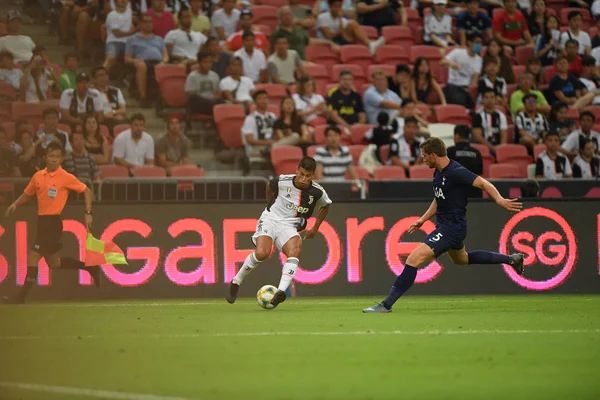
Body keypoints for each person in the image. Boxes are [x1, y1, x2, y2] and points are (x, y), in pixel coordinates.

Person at [362, 137, 525, 313]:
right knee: (462, 259)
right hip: (448, 226)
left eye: (425, 155)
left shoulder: (456, 171)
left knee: (412, 259)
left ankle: (386, 305)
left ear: (434, 155)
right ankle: (512, 259)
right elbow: (439, 199)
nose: (422, 159)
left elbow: (483, 183)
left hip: (451, 228)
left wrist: (500, 200)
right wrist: (423, 219)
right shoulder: (438, 173)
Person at [2, 141, 100, 304]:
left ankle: (21, 297)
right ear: (45, 157)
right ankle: (89, 267)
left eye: (57, 157)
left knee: (33, 256)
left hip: (53, 223)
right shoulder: (38, 176)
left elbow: (87, 191)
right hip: (42, 222)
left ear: (61, 160)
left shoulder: (65, 177)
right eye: (51, 156)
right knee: (55, 263)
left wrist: (88, 213)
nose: (54, 160)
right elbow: (27, 194)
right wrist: (15, 204)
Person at [226, 157, 332, 308]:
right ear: (297, 170)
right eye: (301, 174)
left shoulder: (317, 192)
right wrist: (270, 204)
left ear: (313, 175)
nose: (303, 179)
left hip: (289, 226)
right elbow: (269, 187)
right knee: (262, 253)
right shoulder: (282, 181)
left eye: (308, 176)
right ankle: (236, 281)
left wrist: (315, 228)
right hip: (271, 218)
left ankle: (280, 292)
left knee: (295, 251)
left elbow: (326, 205)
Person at [125, 13, 169, 107]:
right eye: (146, 22)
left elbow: (165, 55)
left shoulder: (159, 39)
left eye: (150, 22)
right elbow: (127, 58)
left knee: (166, 66)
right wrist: (136, 61)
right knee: (141, 65)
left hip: (158, 62)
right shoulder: (132, 39)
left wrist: (164, 61)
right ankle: (143, 98)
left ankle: (165, 99)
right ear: (140, 24)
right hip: (142, 62)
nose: (149, 24)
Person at [317, 0, 385, 55]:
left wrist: (340, 19)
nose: (337, 9)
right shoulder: (322, 17)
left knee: (352, 23)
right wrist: (340, 28)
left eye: (339, 6)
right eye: (335, 6)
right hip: (328, 42)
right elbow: (329, 36)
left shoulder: (341, 19)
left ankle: (370, 44)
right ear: (330, 6)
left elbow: (345, 29)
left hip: (340, 40)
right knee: (348, 26)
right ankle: (369, 45)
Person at [272, 6, 337, 61]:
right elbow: (273, 53)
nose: (287, 17)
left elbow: (309, 41)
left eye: (289, 14)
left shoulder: (299, 30)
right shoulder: (277, 33)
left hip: (302, 62)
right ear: (280, 18)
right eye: (284, 15)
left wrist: (329, 43)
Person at [441, 35, 482, 109]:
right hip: (453, 86)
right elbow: (442, 62)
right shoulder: (457, 52)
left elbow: (475, 79)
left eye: (480, 43)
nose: (479, 45)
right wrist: (451, 64)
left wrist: (470, 90)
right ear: (469, 43)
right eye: (477, 42)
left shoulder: (479, 60)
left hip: (465, 88)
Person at [241, 90, 278, 163]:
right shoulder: (250, 118)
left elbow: (278, 134)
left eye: (265, 98)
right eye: (260, 99)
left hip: (273, 145)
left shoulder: (273, 116)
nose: (263, 101)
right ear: (255, 102)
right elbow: (250, 140)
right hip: (257, 148)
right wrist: (269, 143)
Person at [185, 51, 223, 116]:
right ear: (199, 63)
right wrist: (207, 99)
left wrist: (215, 98)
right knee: (193, 98)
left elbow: (218, 93)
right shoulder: (192, 76)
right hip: (200, 104)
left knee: (221, 101)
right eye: (205, 62)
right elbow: (190, 94)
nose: (208, 64)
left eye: (210, 62)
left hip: (212, 102)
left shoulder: (215, 75)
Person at [104, 0, 135, 74]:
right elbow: (117, 34)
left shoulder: (129, 12)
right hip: (114, 42)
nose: (123, 1)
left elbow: (131, 22)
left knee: (142, 55)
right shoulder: (112, 15)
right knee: (110, 58)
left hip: (128, 43)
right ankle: (99, 77)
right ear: (115, 2)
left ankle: (130, 79)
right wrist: (132, 32)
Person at [472, 88, 508, 152]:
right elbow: (478, 137)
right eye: (486, 97)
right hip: (483, 148)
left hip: (498, 148)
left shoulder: (501, 115)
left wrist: (501, 150)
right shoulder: (478, 115)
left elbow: (504, 135)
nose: (489, 100)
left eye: (492, 97)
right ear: (482, 100)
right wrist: (493, 148)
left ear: (495, 100)